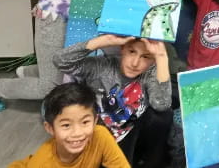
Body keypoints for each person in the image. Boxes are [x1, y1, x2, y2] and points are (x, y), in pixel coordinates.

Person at [53, 34, 173, 167]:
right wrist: (103, 41)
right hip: (97, 131)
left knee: (163, 116)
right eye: (131, 52)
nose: (135, 63)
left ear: (152, 60)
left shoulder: (150, 73)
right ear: (122, 48)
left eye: (145, 57)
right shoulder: (103, 66)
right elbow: (60, 61)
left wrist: (162, 57)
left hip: (129, 133)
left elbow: (162, 104)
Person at [8, 82, 130, 168]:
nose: (77, 133)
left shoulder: (100, 135)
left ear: (94, 121)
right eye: (66, 125)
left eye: (85, 122)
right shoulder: (43, 163)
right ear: (50, 128)